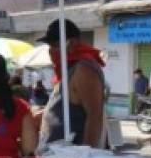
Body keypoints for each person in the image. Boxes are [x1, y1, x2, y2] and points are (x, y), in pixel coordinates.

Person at [38, 19, 106, 147]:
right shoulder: (67, 69)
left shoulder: (83, 69)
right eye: (50, 46)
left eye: (55, 45)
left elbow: (94, 117)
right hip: (56, 156)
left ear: (72, 43)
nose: (51, 51)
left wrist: (85, 156)